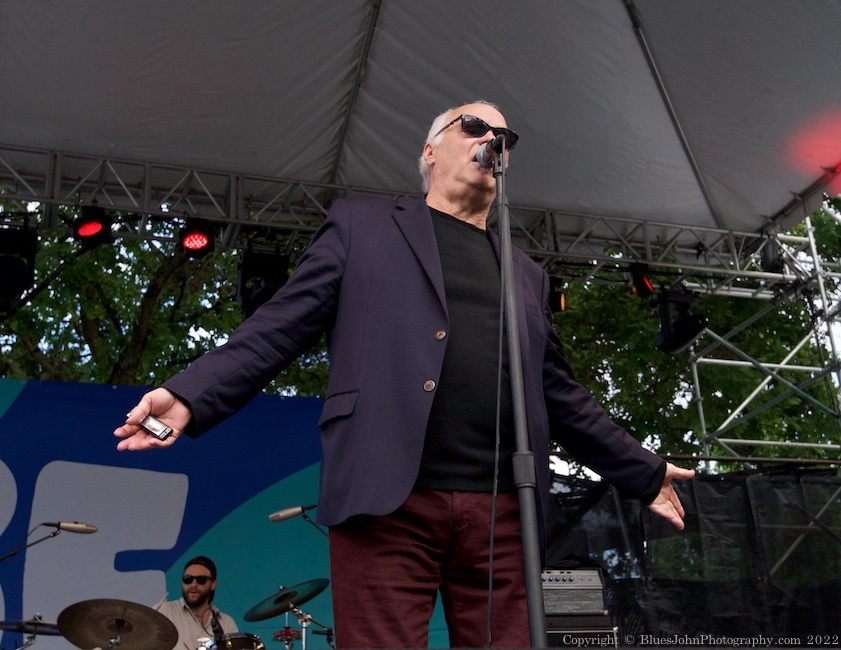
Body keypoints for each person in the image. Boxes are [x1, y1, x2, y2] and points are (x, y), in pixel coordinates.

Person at [115, 100, 695, 648]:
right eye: (473, 127)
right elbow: (278, 326)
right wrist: (188, 395)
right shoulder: (362, 226)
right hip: (388, 498)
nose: (492, 140)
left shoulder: (526, 274)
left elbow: (558, 393)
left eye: (505, 137)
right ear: (430, 151)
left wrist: (641, 470)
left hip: (502, 511)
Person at [157, 556, 239, 650]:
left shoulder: (226, 623)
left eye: (201, 579)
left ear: (213, 584)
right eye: (188, 579)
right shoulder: (163, 613)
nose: (193, 584)